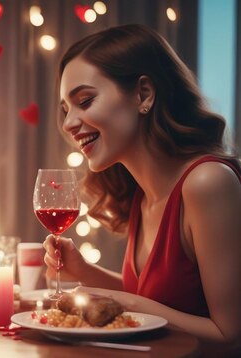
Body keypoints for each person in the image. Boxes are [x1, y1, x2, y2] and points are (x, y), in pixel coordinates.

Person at [44, 24, 241, 353]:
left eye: (85, 101)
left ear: (143, 94)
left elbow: (229, 333)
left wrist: (123, 302)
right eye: (66, 110)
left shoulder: (208, 183)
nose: (68, 124)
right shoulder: (140, 194)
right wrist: (85, 272)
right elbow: (163, 301)